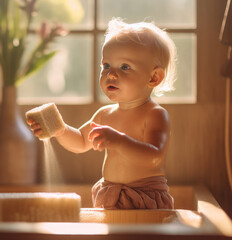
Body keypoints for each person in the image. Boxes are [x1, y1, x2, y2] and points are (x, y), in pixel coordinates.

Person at [27, 18, 176, 209]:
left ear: (154, 77)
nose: (111, 74)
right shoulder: (105, 115)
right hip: (110, 194)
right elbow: (81, 141)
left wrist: (119, 141)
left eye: (124, 67)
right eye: (106, 66)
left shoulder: (155, 114)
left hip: (145, 197)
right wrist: (60, 130)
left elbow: (154, 156)